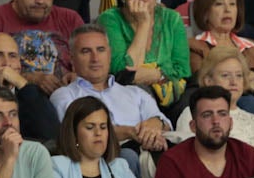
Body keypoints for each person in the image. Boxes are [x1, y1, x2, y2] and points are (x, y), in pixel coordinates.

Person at [49, 24, 171, 166]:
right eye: (86, 51)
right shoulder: (64, 95)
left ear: (109, 54)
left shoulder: (135, 92)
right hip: (103, 161)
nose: (95, 58)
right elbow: (80, 133)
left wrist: (155, 124)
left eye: (101, 50)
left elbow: (165, 123)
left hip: (148, 151)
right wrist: (131, 132)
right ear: (72, 58)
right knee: (127, 157)